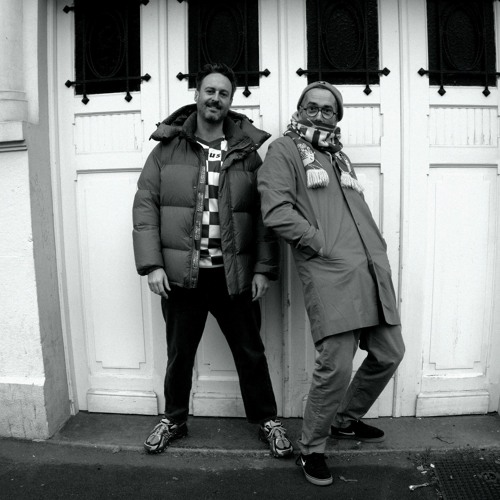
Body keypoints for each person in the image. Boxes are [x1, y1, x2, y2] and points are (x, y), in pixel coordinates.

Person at [132, 63, 293, 458]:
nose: (215, 98)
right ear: (197, 95)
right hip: (182, 276)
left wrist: (264, 269)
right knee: (179, 354)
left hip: (232, 275)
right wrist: (152, 265)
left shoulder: (246, 154)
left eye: (223, 93)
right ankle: (174, 419)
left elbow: (263, 217)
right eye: (209, 90)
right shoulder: (166, 150)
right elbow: (145, 207)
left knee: (250, 352)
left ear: (230, 101)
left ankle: (267, 420)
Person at [258, 81, 405, 486]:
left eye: (328, 110)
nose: (320, 115)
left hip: (369, 269)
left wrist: (377, 249)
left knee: (390, 352)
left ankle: (346, 419)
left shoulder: (338, 156)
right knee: (336, 365)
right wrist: (318, 242)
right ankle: (312, 448)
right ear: (300, 110)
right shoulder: (285, 150)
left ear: (337, 117)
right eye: (312, 107)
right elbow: (275, 209)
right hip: (329, 271)